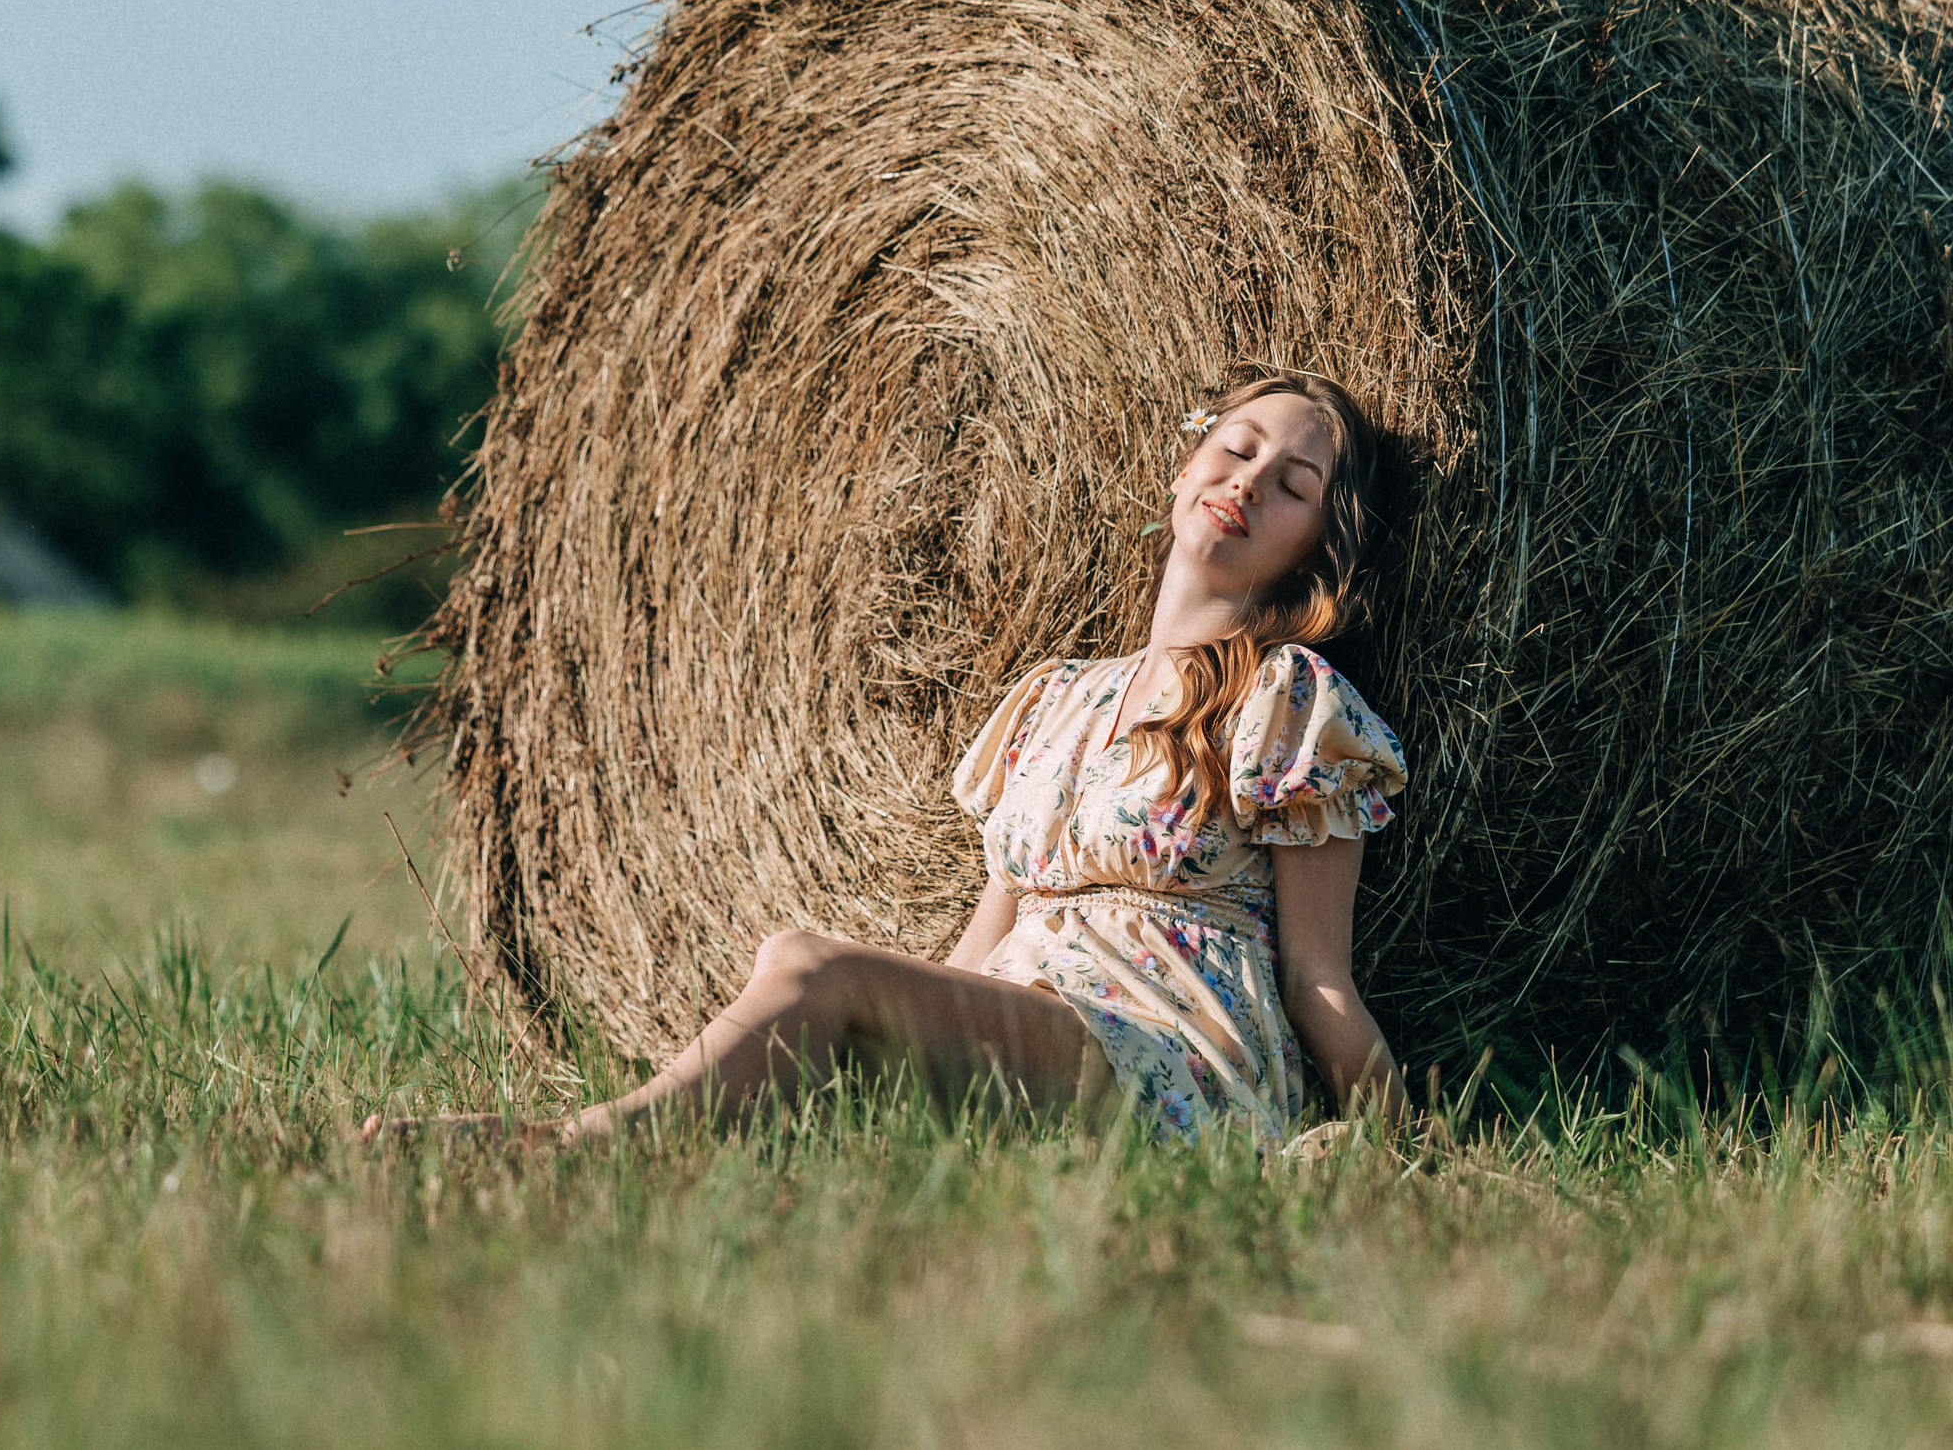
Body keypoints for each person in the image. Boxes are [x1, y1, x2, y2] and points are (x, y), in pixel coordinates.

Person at [367, 366, 1409, 1151]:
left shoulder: (1285, 700)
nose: (1247, 483)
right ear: (1185, 467)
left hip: (1162, 1054)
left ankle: (573, 1149)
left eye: (1291, 484)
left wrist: (1402, 1149)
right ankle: (606, 1142)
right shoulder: (1053, 699)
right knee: (811, 999)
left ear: (1316, 543)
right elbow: (976, 954)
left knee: (811, 965)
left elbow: (1321, 980)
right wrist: (898, 1019)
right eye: (1234, 450)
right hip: (1028, 1020)